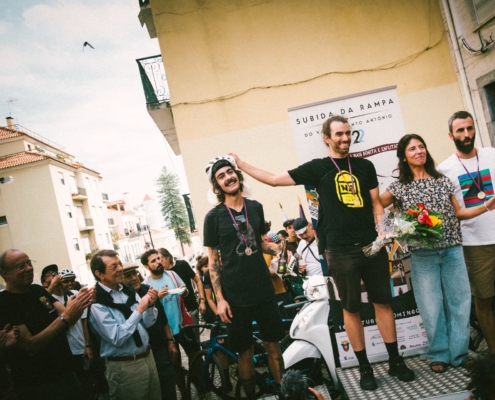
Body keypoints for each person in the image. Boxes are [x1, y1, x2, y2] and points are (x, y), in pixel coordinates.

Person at [229, 115, 414, 391]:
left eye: (348, 133)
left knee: (383, 303)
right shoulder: (318, 168)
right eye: (339, 134)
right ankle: (364, 367)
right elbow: (275, 180)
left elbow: (376, 203)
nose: (345, 138)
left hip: (372, 246)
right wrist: (241, 165)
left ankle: (395, 360)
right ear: (327, 138)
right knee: (350, 309)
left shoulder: (365, 166)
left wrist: (382, 230)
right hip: (340, 251)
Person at [380, 134, 495, 373]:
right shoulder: (398, 186)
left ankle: (460, 354)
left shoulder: (443, 180)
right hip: (423, 255)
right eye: (412, 149)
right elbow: (377, 205)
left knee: (460, 303)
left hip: (452, 249)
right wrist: (393, 227)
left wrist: (486, 206)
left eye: (421, 146)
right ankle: (438, 354)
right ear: (404, 156)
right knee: (431, 306)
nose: (419, 151)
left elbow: (459, 213)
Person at [203, 155, 285, 399]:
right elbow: (213, 261)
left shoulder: (255, 207)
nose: (228, 177)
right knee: (244, 351)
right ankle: (250, 395)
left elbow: (260, 243)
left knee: (273, 345)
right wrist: (220, 299)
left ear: (237, 175)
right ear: (217, 185)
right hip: (235, 296)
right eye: (221, 176)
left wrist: (279, 249)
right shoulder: (213, 217)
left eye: (230, 172)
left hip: (263, 290)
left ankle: (283, 392)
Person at [438, 111, 495, 357]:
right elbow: (451, 213)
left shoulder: (492, 155)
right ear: (451, 135)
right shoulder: (444, 169)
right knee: (484, 300)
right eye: (460, 130)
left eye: (470, 128)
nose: (466, 134)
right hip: (475, 244)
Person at [0, 249, 93, 400]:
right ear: (5, 273)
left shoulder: (37, 290)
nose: (29, 268)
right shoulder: (4, 303)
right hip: (38, 383)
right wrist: (65, 317)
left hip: (67, 373)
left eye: (29, 263)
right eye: (21, 266)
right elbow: (31, 345)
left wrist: (79, 303)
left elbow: (69, 318)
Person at [88, 249, 161, 400]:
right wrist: (139, 309)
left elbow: (146, 324)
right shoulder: (96, 302)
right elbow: (117, 337)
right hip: (125, 367)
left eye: (120, 264)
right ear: (99, 274)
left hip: (148, 357)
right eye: (113, 266)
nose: (120, 269)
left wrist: (149, 306)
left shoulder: (127, 290)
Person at [141, 248, 197, 399]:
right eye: (153, 261)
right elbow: (148, 311)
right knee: (176, 365)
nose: (158, 262)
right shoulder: (146, 285)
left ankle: (199, 383)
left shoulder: (171, 274)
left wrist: (183, 291)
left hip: (182, 325)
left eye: (158, 258)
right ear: (146, 266)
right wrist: (157, 298)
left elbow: (185, 290)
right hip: (167, 333)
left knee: (195, 356)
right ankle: (185, 394)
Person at [123, 265, 177, 400]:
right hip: (140, 354)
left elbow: (162, 318)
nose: (134, 278)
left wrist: (170, 341)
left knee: (168, 382)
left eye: (135, 273)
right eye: (128, 276)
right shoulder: (122, 298)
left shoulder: (148, 290)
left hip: (159, 348)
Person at [41, 266, 94, 398]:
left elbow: (84, 322)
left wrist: (88, 345)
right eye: (48, 274)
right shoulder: (46, 300)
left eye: (54, 272)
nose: (54, 274)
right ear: (44, 283)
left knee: (88, 384)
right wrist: (51, 288)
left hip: (81, 347)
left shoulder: (74, 294)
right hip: (66, 352)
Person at [158, 247, 206, 343]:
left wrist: (202, 301)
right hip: (175, 313)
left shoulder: (182, 265)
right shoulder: (162, 274)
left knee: (195, 341)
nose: (160, 264)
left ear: (168, 257)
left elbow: (198, 281)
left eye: (161, 260)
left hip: (190, 308)